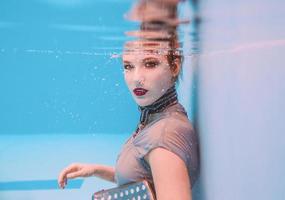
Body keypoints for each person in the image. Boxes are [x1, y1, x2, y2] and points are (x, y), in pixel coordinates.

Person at [58, 1, 199, 199]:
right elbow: (144, 176)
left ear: (174, 67)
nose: (136, 78)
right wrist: (96, 170)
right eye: (128, 66)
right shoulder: (160, 117)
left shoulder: (162, 138)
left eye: (150, 64)